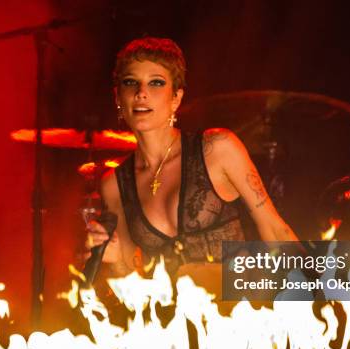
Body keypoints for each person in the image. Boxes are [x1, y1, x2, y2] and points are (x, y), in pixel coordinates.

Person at [86, 37, 297, 277]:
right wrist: (113, 258)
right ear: (118, 98)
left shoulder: (217, 149)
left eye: (155, 83)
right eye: (130, 82)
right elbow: (129, 275)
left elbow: (275, 231)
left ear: (176, 98)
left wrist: (319, 298)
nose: (141, 93)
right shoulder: (113, 184)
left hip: (239, 309)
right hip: (167, 313)